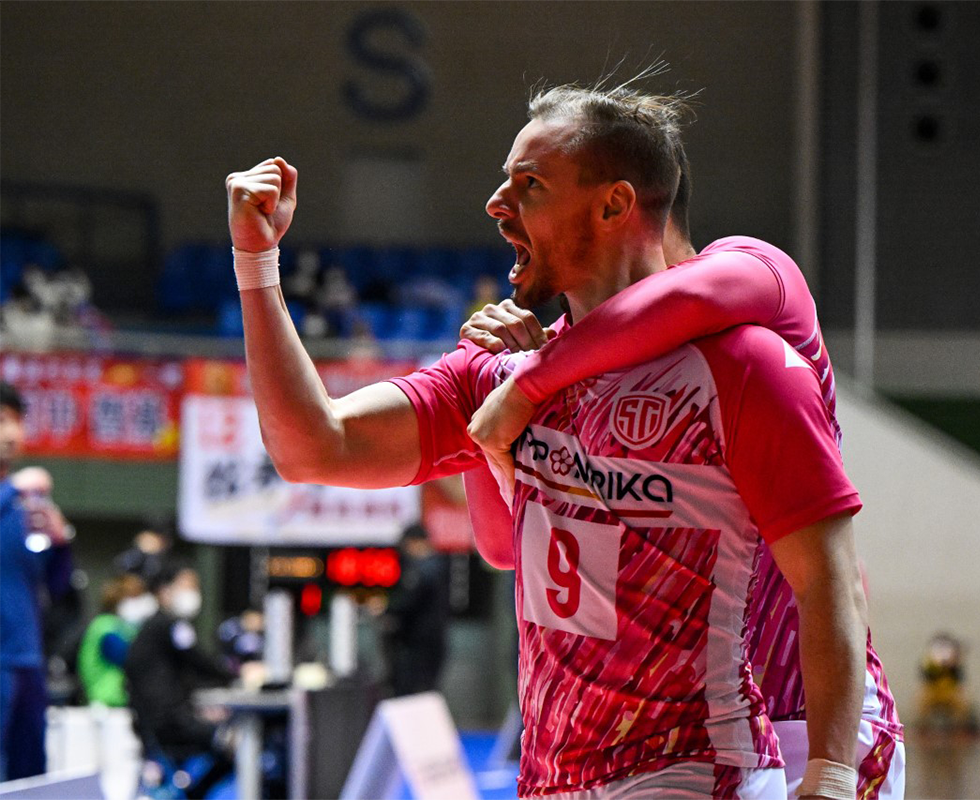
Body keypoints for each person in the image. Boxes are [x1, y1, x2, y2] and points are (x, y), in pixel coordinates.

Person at [225, 81, 866, 798]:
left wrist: (831, 775)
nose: (495, 204)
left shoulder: (747, 349)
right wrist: (256, 264)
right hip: (554, 773)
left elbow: (829, 579)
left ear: (615, 205)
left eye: (529, 185)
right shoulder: (498, 371)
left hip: (727, 752)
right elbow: (315, 447)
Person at [458, 150, 905, 797]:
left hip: (810, 718)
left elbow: (694, 296)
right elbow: (504, 548)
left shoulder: (754, 274)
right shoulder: (573, 357)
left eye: (538, 191)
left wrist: (529, 382)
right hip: (679, 739)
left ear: (623, 209)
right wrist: (488, 381)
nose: (510, 215)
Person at [0, 381, 75, 781]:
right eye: (1, 421)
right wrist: (12, 487)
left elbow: (57, 586)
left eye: (17, 421)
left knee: (29, 777)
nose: (12, 433)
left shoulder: (26, 506)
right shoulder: (15, 492)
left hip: (26, 660)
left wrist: (60, 544)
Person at [124, 561, 234, 798]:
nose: (193, 593)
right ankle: (193, 794)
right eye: (186, 586)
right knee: (236, 744)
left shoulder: (155, 628)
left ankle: (191, 793)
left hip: (161, 722)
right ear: (165, 591)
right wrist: (237, 676)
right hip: (169, 725)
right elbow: (199, 661)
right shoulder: (168, 625)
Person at [384, 523, 450, 697]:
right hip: (429, 639)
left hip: (421, 642)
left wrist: (387, 609)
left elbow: (409, 601)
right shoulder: (435, 565)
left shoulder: (428, 568)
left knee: (417, 691)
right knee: (423, 689)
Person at [77, 573, 156, 707]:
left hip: (121, 700)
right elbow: (128, 658)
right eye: (135, 597)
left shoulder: (125, 627)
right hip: (107, 701)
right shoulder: (105, 627)